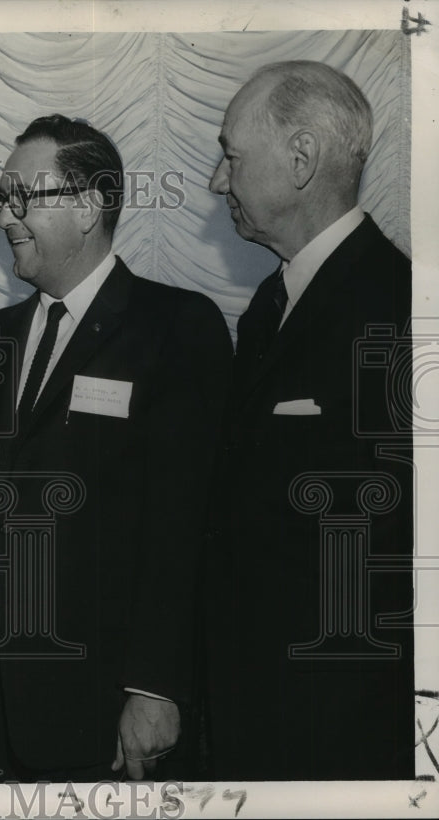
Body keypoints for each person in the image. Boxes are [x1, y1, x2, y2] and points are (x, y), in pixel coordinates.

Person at [0, 114, 232, 781]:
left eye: (23, 197)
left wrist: (156, 688)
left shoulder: (176, 327)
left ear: (88, 206)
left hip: (106, 707)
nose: (5, 217)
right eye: (2, 199)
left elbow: (187, 527)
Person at [205, 60, 414, 780]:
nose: (215, 182)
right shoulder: (268, 306)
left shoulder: (400, 308)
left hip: (338, 731)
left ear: (300, 160)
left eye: (231, 157)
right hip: (252, 715)